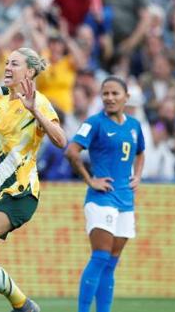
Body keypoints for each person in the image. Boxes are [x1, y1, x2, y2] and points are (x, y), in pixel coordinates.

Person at [0, 48, 67, 312]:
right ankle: (24, 306)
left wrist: (35, 112)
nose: (7, 67)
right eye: (6, 62)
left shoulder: (39, 102)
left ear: (29, 71)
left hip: (21, 191)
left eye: (15, 64)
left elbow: (61, 140)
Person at [65, 76, 145, 312]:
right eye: (105, 94)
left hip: (125, 200)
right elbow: (71, 151)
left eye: (114, 93)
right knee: (100, 257)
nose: (109, 98)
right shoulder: (94, 123)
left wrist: (137, 175)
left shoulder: (134, 125)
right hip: (102, 198)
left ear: (126, 97)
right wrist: (90, 179)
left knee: (111, 263)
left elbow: (140, 152)